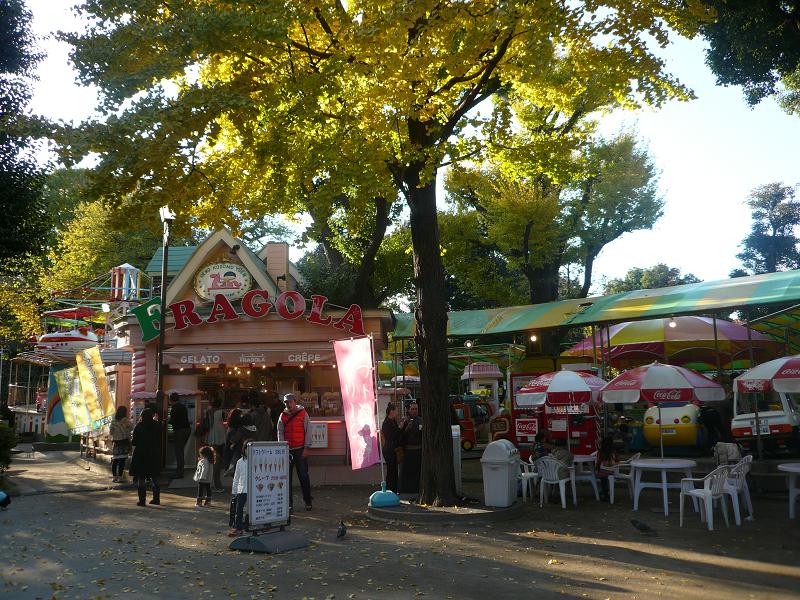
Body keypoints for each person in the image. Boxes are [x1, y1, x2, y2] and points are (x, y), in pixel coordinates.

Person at [277, 393, 313, 511]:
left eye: (290, 402)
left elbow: (308, 430)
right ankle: (289, 504)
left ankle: (308, 501)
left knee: (303, 476)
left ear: (295, 402)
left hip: (300, 449)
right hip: (287, 450)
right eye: (286, 402)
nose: (289, 404)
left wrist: (307, 447)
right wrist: (282, 447)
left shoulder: (303, 413)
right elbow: (280, 432)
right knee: (286, 479)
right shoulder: (282, 416)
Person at [129, 408, 162, 507]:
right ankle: (156, 499)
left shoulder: (139, 426)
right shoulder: (157, 425)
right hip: (154, 453)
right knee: (155, 477)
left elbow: (134, 442)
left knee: (141, 477)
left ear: (142, 416)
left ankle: (142, 500)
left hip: (141, 453)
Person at [399, 401, 422, 495]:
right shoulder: (405, 421)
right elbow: (400, 436)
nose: (414, 411)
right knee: (407, 472)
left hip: (419, 450)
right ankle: (407, 490)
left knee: (418, 471)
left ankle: (418, 489)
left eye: (416, 409)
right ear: (408, 410)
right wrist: (407, 428)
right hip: (408, 451)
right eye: (412, 409)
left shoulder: (421, 420)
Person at [204, 398, 227, 492]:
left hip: (210, 437)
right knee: (217, 460)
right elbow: (224, 420)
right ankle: (218, 484)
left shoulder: (208, 411)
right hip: (220, 437)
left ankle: (214, 483)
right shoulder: (221, 412)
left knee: (212, 460)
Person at [228, 442, 250, 537]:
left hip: (255, 491)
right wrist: (234, 491)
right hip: (242, 489)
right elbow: (236, 477)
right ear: (243, 449)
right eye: (247, 448)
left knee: (253, 509)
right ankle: (238, 527)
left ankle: (253, 525)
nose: (248, 450)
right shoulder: (240, 462)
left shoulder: (257, 461)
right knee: (238, 509)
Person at [168, 393, 191, 479]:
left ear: (171, 400)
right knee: (180, 450)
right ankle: (179, 470)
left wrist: (168, 420)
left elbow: (173, 421)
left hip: (180, 431)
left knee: (179, 452)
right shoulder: (182, 406)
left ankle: (179, 473)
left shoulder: (174, 408)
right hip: (187, 429)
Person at [381, 403, 402, 493]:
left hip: (392, 449)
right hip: (389, 450)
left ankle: (394, 489)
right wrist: (400, 428)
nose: (398, 412)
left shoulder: (393, 421)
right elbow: (391, 436)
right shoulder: (386, 423)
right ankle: (390, 489)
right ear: (391, 411)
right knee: (391, 471)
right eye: (396, 410)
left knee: (394, 470)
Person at [109, 405, 133, 483]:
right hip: (124, 442)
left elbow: (111, 432)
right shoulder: (126, 421)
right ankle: (120, 477)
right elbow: (132, 428)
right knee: (122, 461)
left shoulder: (113, 421)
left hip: (116, 442)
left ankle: (114, 477)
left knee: (115, 460)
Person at [595, 436, 618, 502]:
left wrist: (597, 470)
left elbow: (598, 463)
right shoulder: (613, 452)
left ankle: (605, 493)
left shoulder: (600, 452)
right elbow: (617, 460)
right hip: (612, 472)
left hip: (602, 473)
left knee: (603, 481)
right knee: (605, 479)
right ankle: (606, 492)